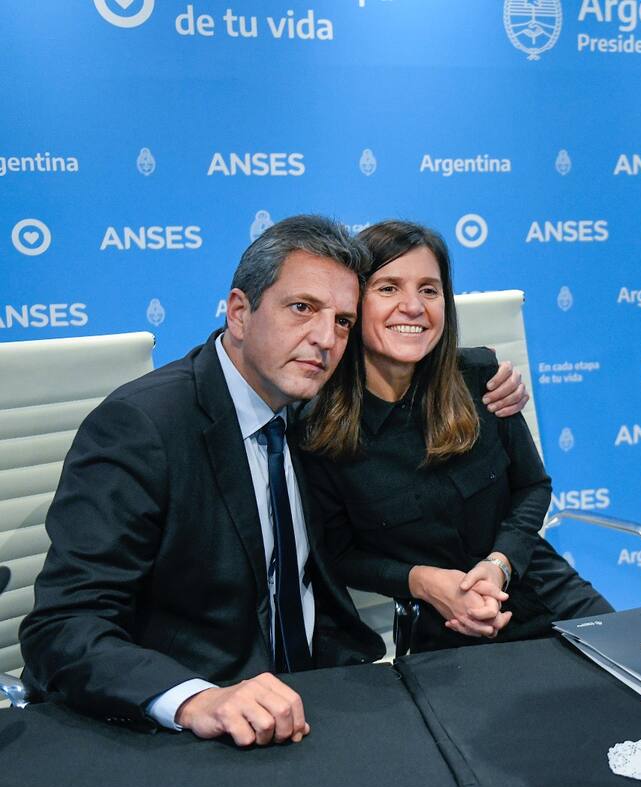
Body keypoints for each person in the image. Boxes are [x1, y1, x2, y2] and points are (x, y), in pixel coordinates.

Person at [19, 214, 529, 747]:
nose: (324, 338)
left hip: (327, 689)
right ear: (240, 312)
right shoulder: (144, 427)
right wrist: (196, 699)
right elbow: (62, 626)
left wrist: (492, 381)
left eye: (342, 321)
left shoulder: (313, 412)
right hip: (205, 717)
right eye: (302, 308)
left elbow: (412, 366)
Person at [302, 220, 612, 653]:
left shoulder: (482, 378)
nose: (413, 306)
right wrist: (425, 583)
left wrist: (499, 562)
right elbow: (338, 554)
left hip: (545, 589)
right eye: (388, 288)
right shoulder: (318, 426)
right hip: (446, 624)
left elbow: (533, 486)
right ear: (353, 303)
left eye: (429, 290)